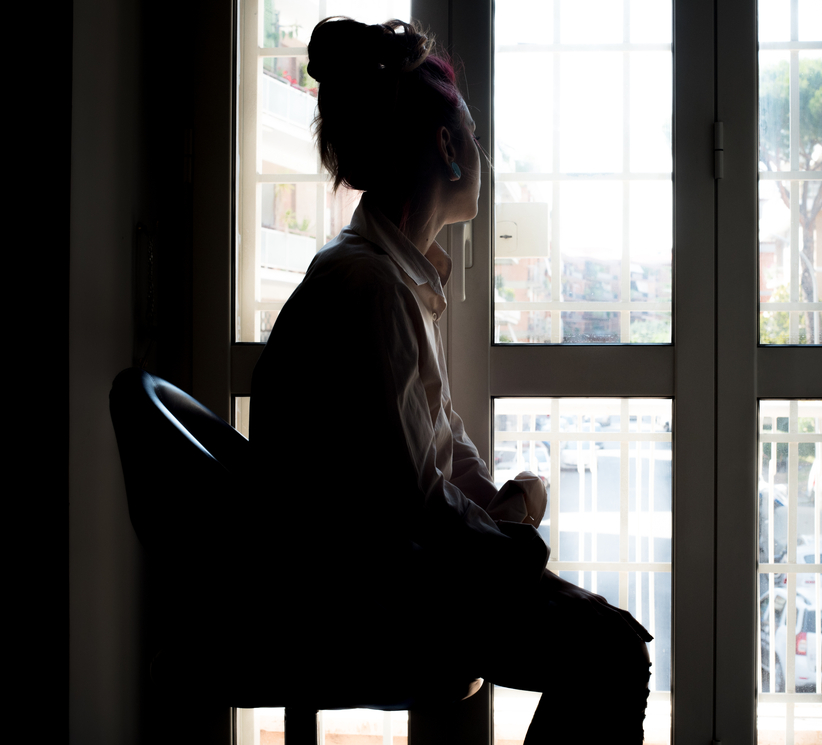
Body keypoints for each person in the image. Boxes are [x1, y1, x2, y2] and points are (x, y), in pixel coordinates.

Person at [250, 17, 651, 742]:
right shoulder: (372, 287)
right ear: (446, 147)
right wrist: (519, 526)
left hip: (371, 576)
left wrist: (502, 507)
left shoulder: (382, 271)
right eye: (471, 130)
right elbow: (420, 506)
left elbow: (435, 447)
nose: (482, 150)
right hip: (369, 601)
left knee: (606, 641)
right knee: (612, 649)